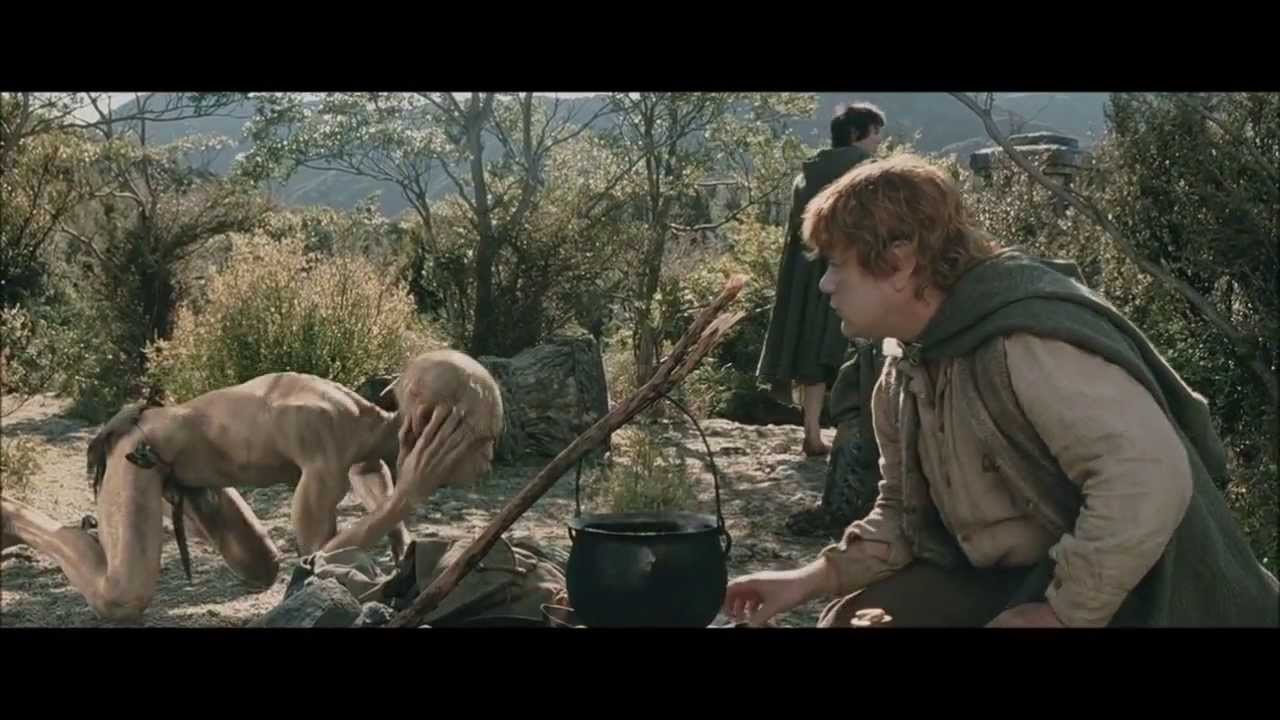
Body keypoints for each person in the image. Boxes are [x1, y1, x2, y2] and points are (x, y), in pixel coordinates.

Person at [724, 154, 1278, 627]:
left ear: (899, 262)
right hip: (1010, 571)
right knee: (853, 620)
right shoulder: (903, 366)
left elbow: (1147, 478)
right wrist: (806, 581)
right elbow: (901, 517)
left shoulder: (1025, 342)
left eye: (836, 264)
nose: (825, 284)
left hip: (1139, 580)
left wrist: (1062, 614)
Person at [0, 349, 503, 623]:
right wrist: (403, 502)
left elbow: (369, 467)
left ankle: (142, 519)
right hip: (146, 451)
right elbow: (318, 565)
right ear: (429, 425)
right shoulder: (323, 429)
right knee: (121, 599)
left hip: (195, 473)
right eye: (478, 442)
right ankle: (20, 520)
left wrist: (400, 536)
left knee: (260, 570)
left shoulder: (366, 429)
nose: (487, 460)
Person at [757, 102, 885, 456]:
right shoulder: (865, 171)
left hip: (806, 276)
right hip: (850, 270)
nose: (878, 140)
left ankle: (812, 433)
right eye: (875, 132)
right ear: (855, 133)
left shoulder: (806, 176)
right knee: (864, 349)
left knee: (812, 353)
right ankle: (864, 435)